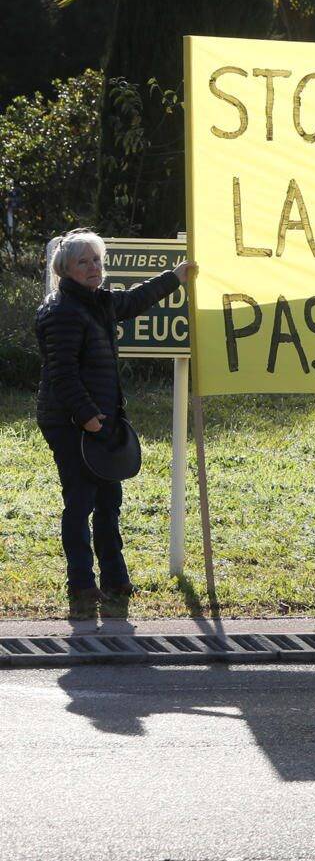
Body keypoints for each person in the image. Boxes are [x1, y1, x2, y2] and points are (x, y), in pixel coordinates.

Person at [33, 231, 191, 619]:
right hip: (70, 421)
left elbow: (134, 300)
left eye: (97, 260)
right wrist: (86, 416)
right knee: (80, 501)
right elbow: (63, 373)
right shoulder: (61, 311)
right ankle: (81, 586)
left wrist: (175, 277)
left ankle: (116, 581)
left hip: (101, 419)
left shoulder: (98, 302)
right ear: (65, 269)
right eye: (83, 262)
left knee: (109, 500)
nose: (93, 268)